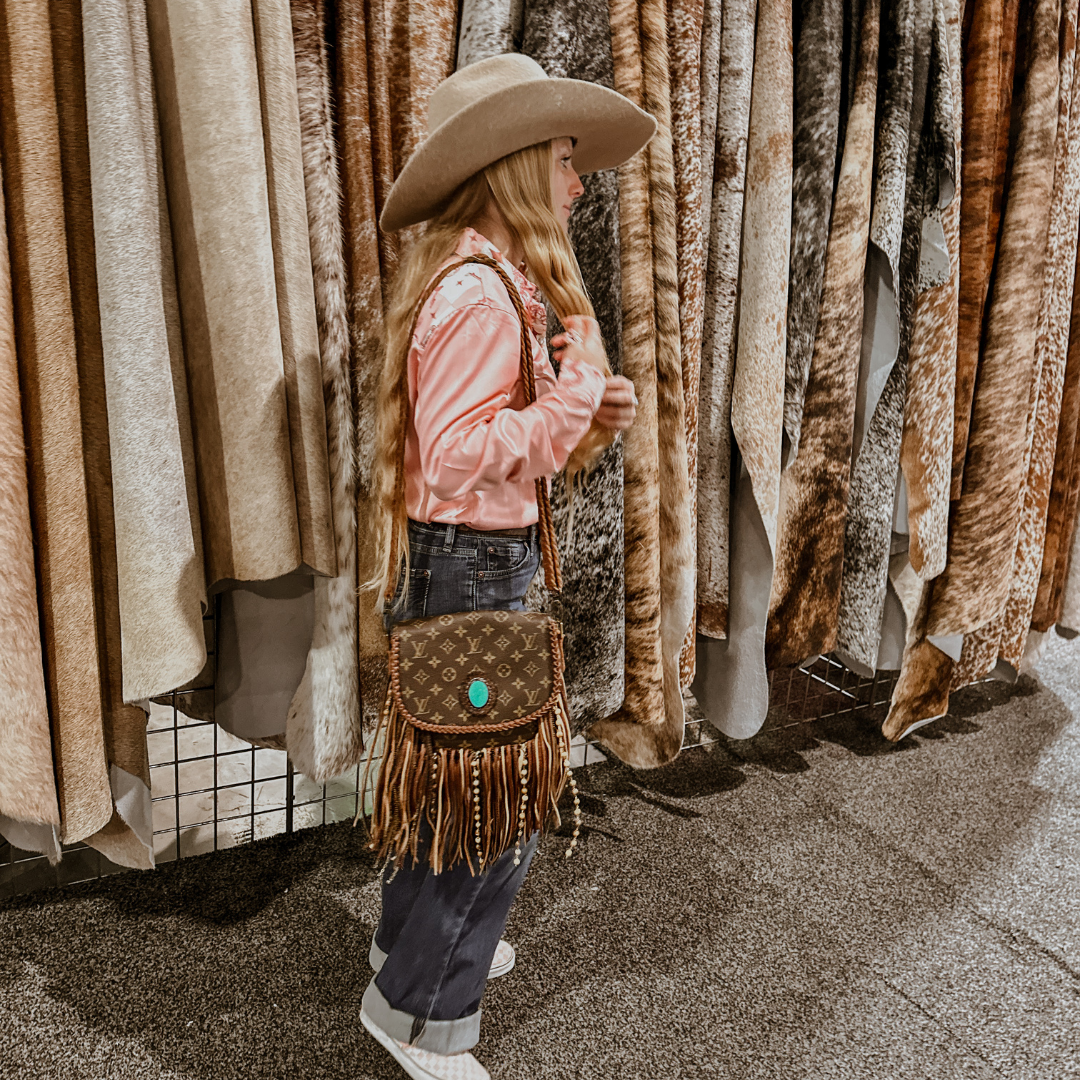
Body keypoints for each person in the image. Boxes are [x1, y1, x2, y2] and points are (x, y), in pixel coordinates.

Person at [359, 53, 655, 1080]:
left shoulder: (481, 282)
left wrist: (583, 412)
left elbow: (477, 440)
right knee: (497, 800)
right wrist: (568, 406)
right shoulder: (486, 298)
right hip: (477, 569)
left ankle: (410, 949)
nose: (579, 184)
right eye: (566, 161)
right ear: (520, 166)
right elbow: (456, 456)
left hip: (465, 564)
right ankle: (419, 1010)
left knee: (456, 778)